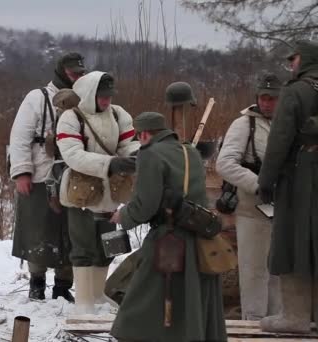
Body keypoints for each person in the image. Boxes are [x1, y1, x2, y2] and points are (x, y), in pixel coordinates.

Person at [110, 112, 227, 342]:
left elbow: (145, 205)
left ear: (144, 134)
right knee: (188, 301)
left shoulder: (149, 154)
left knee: (140, 301)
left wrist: (122, 216)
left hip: (169, 241)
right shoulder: (189, 151)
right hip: (198, 237)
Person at [56, 71, 139, 313]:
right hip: (81, 190)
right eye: (102, 96)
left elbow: (128, 142)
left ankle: (97, 294)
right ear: (90, 94)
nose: (106, 101)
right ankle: (83, 300)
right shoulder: (71, 118)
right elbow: (72, 154)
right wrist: (110, 164)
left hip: (110, 191)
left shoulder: (117, 113)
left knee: (107, 245)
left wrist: (134, 155)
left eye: (109, 96)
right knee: (82, 246)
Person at [9, 52, 86, 302]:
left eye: (79, 72)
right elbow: (20, 137)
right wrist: (22, 172)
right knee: (37, 230)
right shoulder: (38, 97)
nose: (76, 76)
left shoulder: (84, 99)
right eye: (73, 71)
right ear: (61, 71)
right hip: (41, 174)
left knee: (70, 232)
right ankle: (37, 282)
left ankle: (64, 286)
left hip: (75, 176)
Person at [258, 40, 318, 333]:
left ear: (303, 59)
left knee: (293, 242)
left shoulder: (296, 92)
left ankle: (295, 316)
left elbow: (279, 141)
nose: (290, 64)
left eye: (292, 59)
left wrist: (266, 181)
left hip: (299, 180)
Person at [216, 73, 283, 320]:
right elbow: (224, 164)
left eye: (272, 98)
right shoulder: (244, 124)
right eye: (263, 97)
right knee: (254, 272)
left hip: (283, 208)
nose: (267, 103)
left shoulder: (287, 124)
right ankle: (254, 327)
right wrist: (257, 185)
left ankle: (279, 323)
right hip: (252, 209)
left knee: (278, 271)